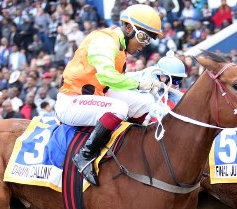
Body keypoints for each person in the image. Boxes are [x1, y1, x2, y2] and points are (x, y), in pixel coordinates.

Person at [56, 4, 164, 186]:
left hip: (95, 96)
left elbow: (115, 80)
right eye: (143, 37)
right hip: (71, 101)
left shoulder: (120, 47)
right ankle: (84, 156)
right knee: (120, 108)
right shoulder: (105, 41)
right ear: (128, 27)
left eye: (148, 40)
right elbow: (106, 76)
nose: (143, 45)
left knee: (145, 104)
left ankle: (132, 150)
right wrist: (140, 83)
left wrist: (146, 77)